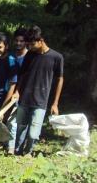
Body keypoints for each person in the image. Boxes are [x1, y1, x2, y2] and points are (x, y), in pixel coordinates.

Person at [13, 25, 64, 156]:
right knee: (20, 128)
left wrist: (55, 103)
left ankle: (28, 153)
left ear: (41, 40)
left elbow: (60, 79)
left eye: (32, 44)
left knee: (33, 133)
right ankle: (17, 153)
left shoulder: (56, 57)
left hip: (41, 100)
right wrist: (17, 91)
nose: (29, 47)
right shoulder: (30, 55)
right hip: (25, 98)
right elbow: (22, 74)